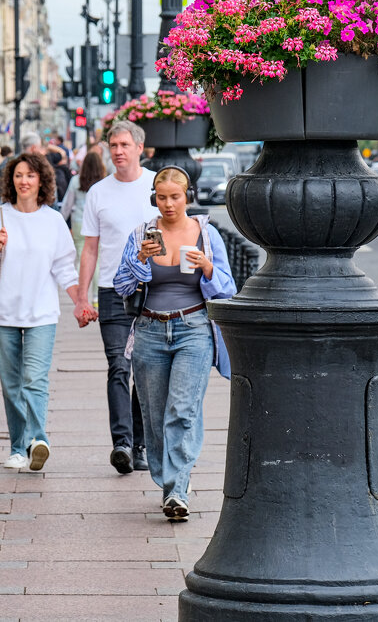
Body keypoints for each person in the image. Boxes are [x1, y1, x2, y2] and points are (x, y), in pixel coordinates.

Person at [113, 167, 236, 521]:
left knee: (183, 410)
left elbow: (228, 289)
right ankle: (171, 484)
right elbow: (120, 286)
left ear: (188, 196)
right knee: (154, 417)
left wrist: (208, 267)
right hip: (150, 330)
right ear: (155, 197)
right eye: (162, 197)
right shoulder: (141, 235)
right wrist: (140, 261)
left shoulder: (206, 234)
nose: (168, 204)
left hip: (193, 328)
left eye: (175, 197)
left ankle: (178, 490)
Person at [0, 152, 86, 472]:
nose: (24, 181)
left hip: (42, 314)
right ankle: (18, 447)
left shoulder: (53, 220)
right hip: (1, 314)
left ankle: (38, 439)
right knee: (11, 384)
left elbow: (65, 268)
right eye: (19, 175)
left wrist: (80, 300)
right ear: (11, 180)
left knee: (34, 379)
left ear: (42, 181)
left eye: (30, 176)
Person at [77, 120, 156, 474]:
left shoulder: (157, 186)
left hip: (153, 291)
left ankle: (140, 444)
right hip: (112, 292)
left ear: (140, 147)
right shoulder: (98, 193)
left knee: (144, 368)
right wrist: (83, 296)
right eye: (113, 145)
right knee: (118, 366)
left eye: (124, 144)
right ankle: (122, 443)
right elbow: (90, 249)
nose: (118, 151)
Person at [61, 151, 107, 262]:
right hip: (99, 222)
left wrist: (61, 220)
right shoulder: (104, 182)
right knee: (98, 256)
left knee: (81, 254)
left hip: (79, 221)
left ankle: (82, 279)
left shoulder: (76, 180)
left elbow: (67, 204)